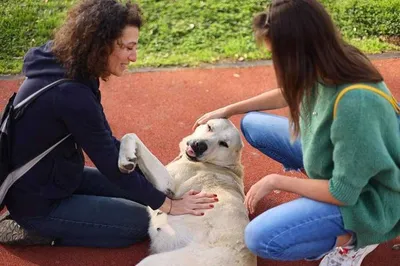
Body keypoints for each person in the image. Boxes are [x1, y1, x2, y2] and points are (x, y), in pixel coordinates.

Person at [193, 0, 400, 265]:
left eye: (276, 55)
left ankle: (355, 239)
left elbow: (343, 193)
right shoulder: (329, 59)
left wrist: (276, 181)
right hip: (340, 164)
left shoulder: (355, 103)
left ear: (298, 51)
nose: (274, 63)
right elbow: (288, 93)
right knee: (252, 124)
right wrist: (228, 109)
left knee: (260, 238)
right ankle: (319, 199)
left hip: (370, 199)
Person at [4, 0, 217, 248]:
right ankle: (38, 231)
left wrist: (160, 188)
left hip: (57, 177)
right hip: (38, 203)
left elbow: (107, 144)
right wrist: (170, 205)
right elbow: (111, 163)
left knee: (147, 196)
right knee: (140, 220)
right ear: (100, 45)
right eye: (127, 48)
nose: (134, 57)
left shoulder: (67, 64)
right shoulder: (71, 95)